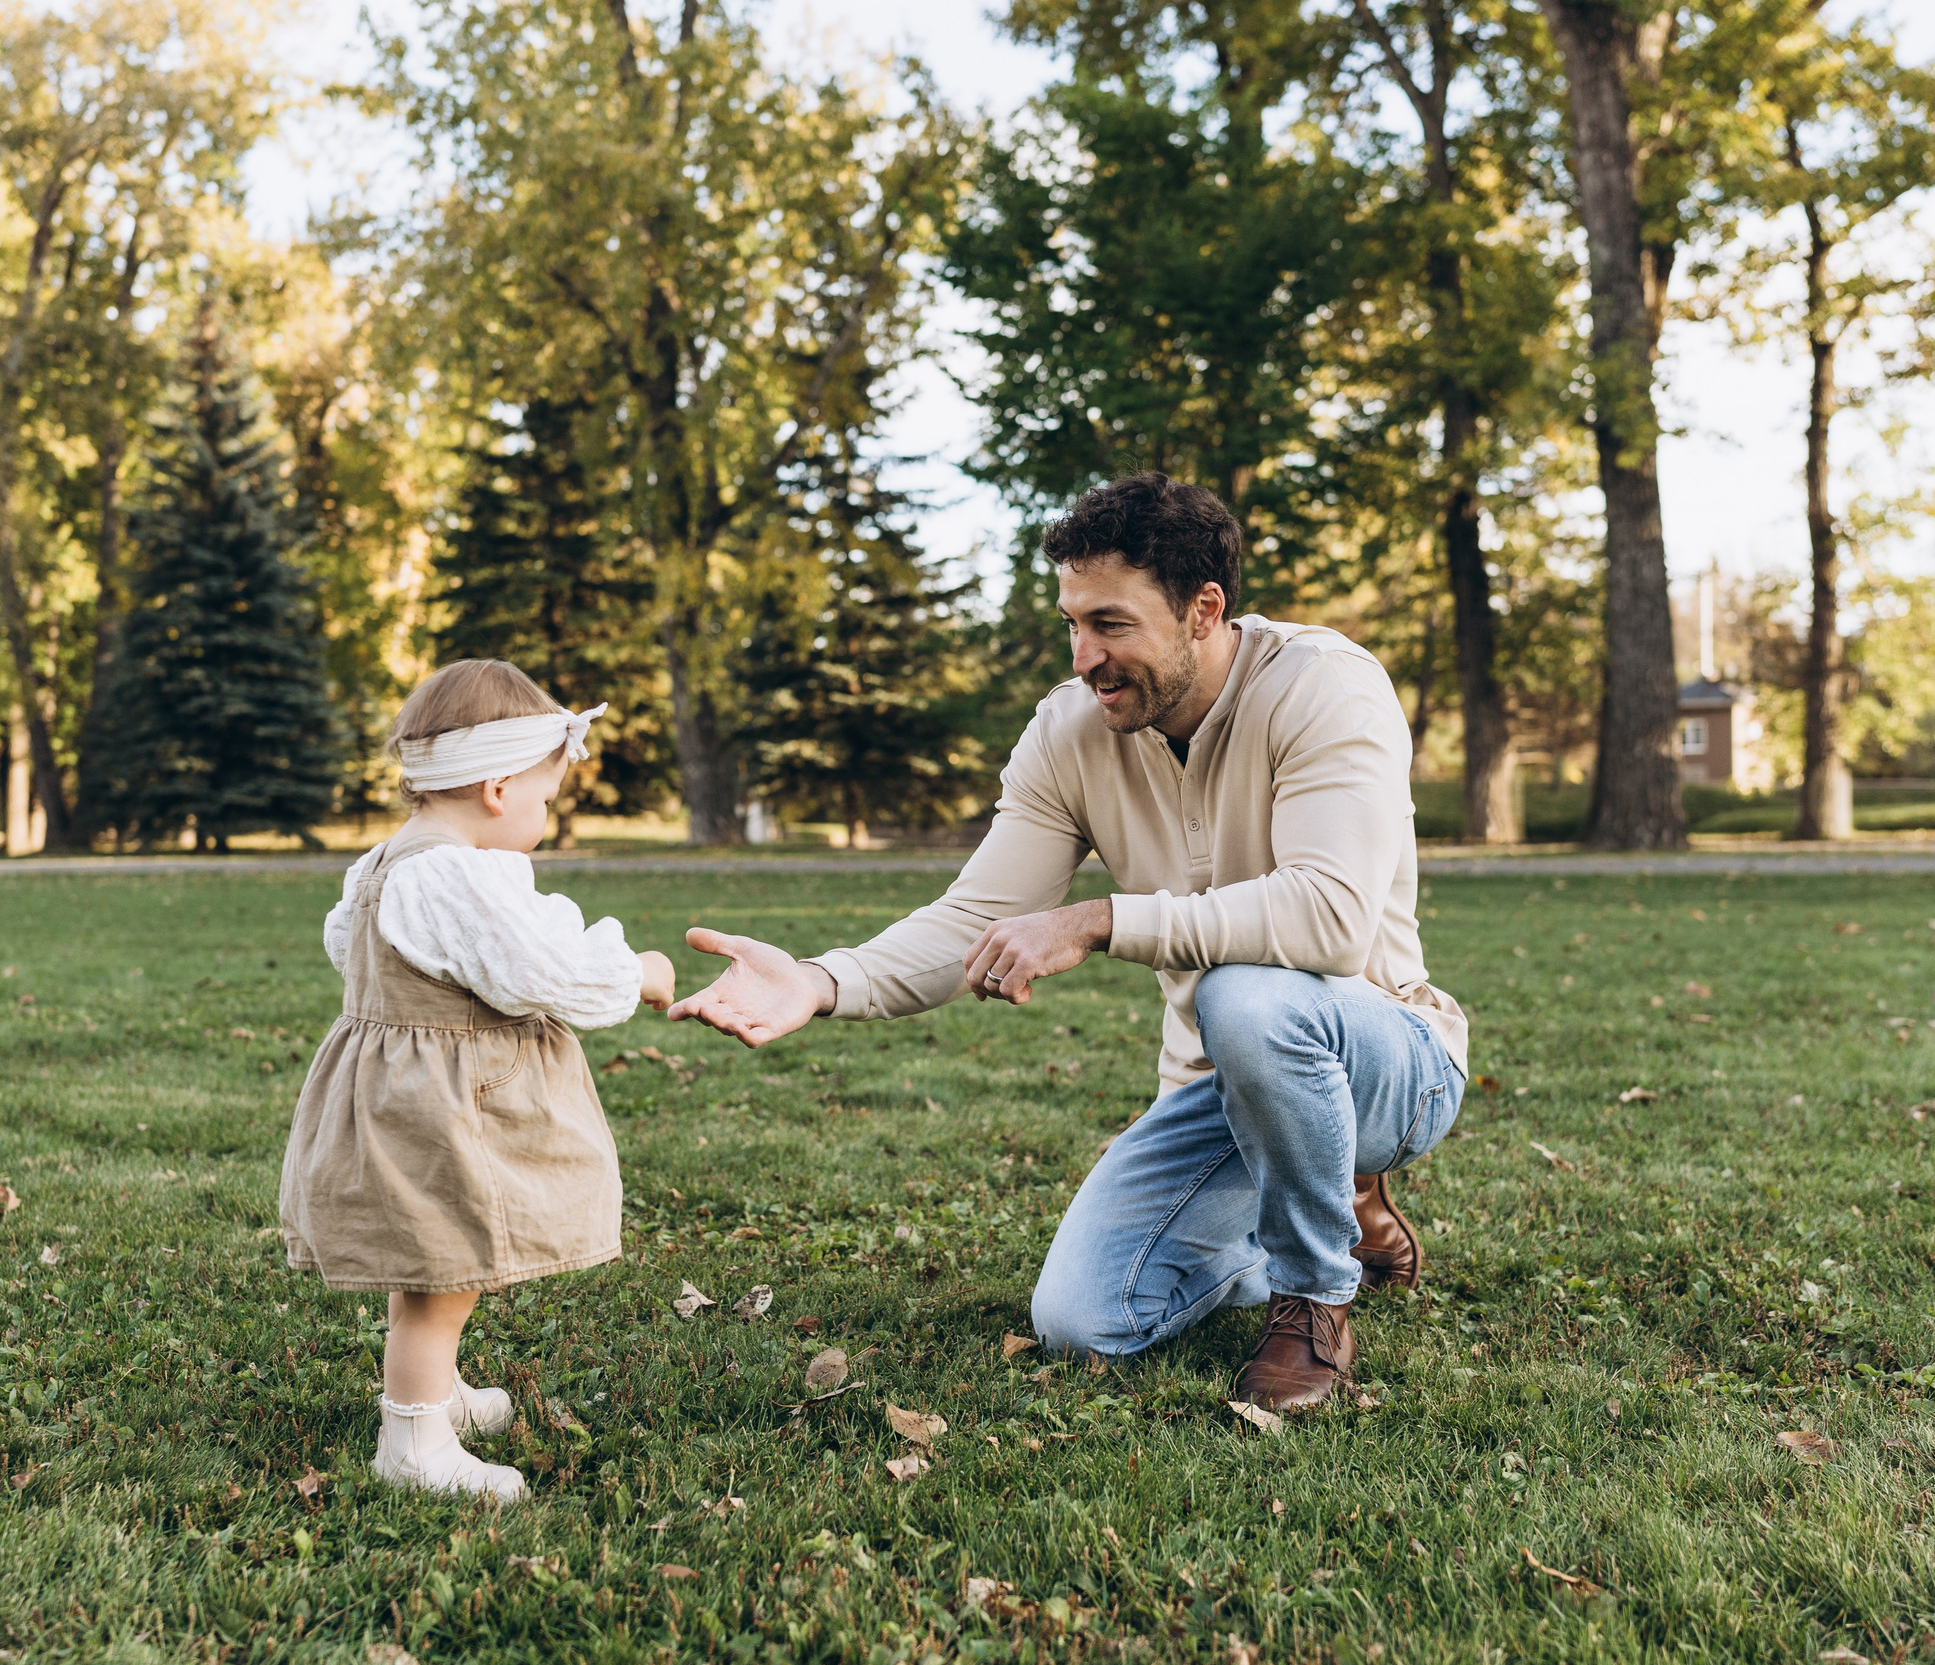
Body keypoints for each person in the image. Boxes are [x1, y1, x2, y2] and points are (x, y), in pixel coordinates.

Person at [671, 473, 1466, 1411]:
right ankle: (1325, 1207)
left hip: (1386, 1057)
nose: (1086, 656)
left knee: (1244, 993)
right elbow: (977, 915)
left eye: (1111, 624)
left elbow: (1328, 919)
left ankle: (1313, 1297)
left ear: (1203, 609)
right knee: (1086, 1320)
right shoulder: (1070, 733)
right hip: (1217, 1086)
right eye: (1072, 624)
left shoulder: (1325, 687)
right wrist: (819, 979)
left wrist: (1099, 918)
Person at [280, 660, 677, 1502]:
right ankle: (413, 1439)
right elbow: (542, 970)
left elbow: (344, 943)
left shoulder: (390, 857)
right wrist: (635, 969)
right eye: (544, 799)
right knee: (444, 1269)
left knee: (431, 1253)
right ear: (497, 787)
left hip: (392, 1086)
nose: (544, 817)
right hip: (447, 1103)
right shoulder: (458, 872)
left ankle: (435, 1392)